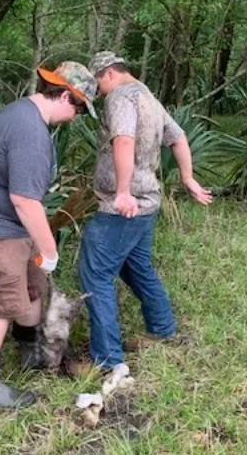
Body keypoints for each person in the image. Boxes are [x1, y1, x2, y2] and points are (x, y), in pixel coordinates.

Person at [0, 62, 97, 409]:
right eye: (77, 107)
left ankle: (32, 351)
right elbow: (26, 201)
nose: (76, 116)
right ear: (63, 95)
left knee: (33, 284)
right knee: (1, 298)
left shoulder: (26, 116)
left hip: (7, 221)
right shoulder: (30, 131)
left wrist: (40, 255)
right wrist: (49, 248)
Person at [78, 51, 212, 370]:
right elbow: (178, 138)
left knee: (94, 274)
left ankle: (108, 360)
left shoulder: (120, 98)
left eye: (97, 84)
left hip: (122, 204)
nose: (97, 93)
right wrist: (187, 178)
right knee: (135, 266)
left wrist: (122, 191)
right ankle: (163, 329)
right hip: (148, 201)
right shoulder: (150, 99)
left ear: (108, 73)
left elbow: (122, 140)